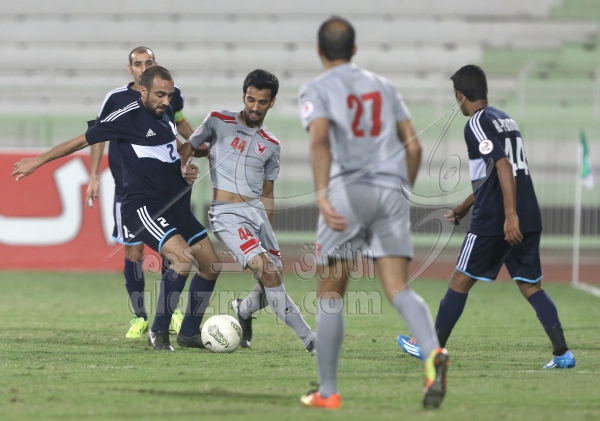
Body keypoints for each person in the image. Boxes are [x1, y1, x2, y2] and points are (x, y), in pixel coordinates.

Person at [297, 17, 448, 410]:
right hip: (391, 191)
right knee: (399, 288)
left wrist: (323, 196)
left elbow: (320, 141)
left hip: (347, 191)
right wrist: (401, 191)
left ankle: (327, 391)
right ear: (354, 49)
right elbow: (414, 147)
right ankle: (433, 352)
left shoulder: (316, 88)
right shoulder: (384, 86)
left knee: (330, 293)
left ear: (319, 51)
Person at [13, 66, 221, 351]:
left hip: (176, 206)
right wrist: (37, 161)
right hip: (145, 208)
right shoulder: (126, 116)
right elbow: (81, 140)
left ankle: (188, 333)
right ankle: (158, 332)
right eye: (160, 95)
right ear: (143, 91)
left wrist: (189, 163)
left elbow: (172, 150)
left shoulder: (165, 114)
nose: (165, 101)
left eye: (169, 95)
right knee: (182, 258)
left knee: (211, 265)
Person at [397, 64, 576, 370]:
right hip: (528, 213)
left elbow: (503, 166)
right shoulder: (506, 119)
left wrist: (509, 215)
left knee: (459, 280)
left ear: (459, 95)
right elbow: (496, 175)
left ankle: (430, 347)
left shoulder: (476, 123)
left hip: (497, 219)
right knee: (531, 286)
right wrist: (467, 204)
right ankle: (563, 354)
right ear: (486, 90)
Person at [180, 69, 316, 352]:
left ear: (272, 102)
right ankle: (312, 341)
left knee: (272, 277)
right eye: (250, 100)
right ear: (244, 96)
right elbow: (188, 147)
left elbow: (268, 193)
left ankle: (243, 309)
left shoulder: (272, 144)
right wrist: (184, 167)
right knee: (269, 273)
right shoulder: (217, 120)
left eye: (262, 102)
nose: (255, 107)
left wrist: (266, 229)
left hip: (256, 214)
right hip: (226, 213)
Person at [85, 46, 195, 339]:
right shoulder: (116, 99)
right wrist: (94, 175)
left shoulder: (170, 94)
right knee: (134, 252)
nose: (142, 67)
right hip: (127, 190)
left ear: (154, 64)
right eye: (138, 63)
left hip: (164, 190)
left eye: (148, 62)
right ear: (130, 68)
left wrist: (198, 144)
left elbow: (179, 123)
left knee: (171, 249)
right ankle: (139, 316)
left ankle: (170, 312)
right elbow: (97, 136)